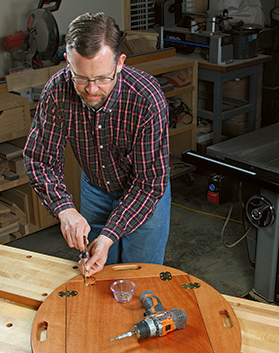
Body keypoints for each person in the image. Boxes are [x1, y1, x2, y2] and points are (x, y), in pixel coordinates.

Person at [24, 12, 171, 277]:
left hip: (145, 194)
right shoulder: (57, 92)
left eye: (103, 78)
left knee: (140, 276)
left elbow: (150, 183)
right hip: (95, 188)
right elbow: (39, 159)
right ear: (68, 61)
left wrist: (108, 235)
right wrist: (64, 209)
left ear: (120, 63)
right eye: (80, 77)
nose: (91, 90)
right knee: (98, 276)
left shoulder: (146, 98)